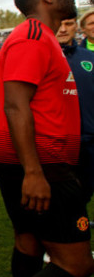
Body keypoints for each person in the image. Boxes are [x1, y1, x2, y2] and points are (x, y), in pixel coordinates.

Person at [0, 0, 93, 277]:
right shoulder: (31, 36)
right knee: (76, 264)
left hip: (36, 163)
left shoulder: (43, 37)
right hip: (42, 166)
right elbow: (16, 106)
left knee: (29, 243)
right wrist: (34, 172)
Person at [56, 15, 94, 202]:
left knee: (86, 190)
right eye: (59, 24)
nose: (63, 29)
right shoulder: (41, 57)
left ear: (76, 28)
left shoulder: (90, 57)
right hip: (57, 143)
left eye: (68, 24)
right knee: (63, 197)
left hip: (89, 140)